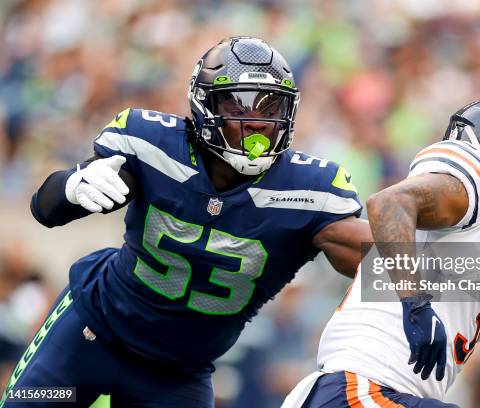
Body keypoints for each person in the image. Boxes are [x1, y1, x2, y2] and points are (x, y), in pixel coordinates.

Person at [1, 37, 371, 407]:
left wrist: (425, 290)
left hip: (178, 377)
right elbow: (45, 210)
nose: (257, 122)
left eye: (271, 106)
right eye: (239, 104)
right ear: (204, 105)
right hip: (87, 337)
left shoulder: (309, 191)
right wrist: (70, 186)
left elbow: (377, 257)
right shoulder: (152, 142)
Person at [283, 98, 480, 407]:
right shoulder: (478, 180)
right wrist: (415, 304)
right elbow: (388, 204)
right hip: (358, 387)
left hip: (382, 396)